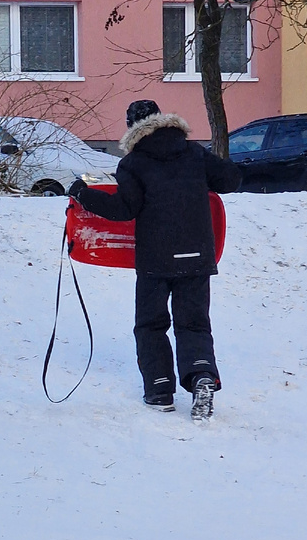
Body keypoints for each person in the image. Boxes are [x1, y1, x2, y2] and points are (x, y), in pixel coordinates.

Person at [67, 100, 241, 420]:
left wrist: (83, 193)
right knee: (193, 323)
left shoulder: (134, 163)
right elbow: (230, 180)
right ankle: (201, 375)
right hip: (196, 255)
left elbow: (124, 209)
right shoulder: (194, 152)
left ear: (132, 126)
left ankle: (159, 390)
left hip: (155, 260)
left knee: (151, 325)